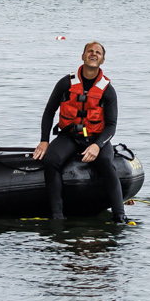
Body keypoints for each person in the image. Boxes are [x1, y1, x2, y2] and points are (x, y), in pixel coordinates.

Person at [32, 40, 126, 224]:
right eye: (90, 51)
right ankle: (57, 216)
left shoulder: (108, 91)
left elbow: (111, 125)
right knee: (51, 160)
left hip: (96, 138)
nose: (93, 54)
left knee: (107, 163)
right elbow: (49, 111)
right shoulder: (65, 83)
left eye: (98, 52)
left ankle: (119, 216)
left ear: (102, 60)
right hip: (69, 136)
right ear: (83, 56)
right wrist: (44, 140)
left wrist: (98, 146)